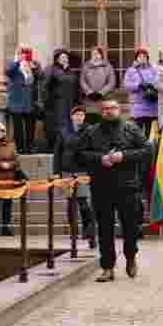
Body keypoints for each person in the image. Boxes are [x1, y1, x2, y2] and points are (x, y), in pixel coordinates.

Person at [76, 98, 152, 282]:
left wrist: (123, 156)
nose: (109, 111)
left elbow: (147, 150)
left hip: (127, 186)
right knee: (104, 228)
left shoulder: (131, 129)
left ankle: (131, 256)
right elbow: (79, 155)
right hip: (101, 187)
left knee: (131, 227)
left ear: (119, 110)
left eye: (113, 108)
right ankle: (107, 267)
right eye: (105, 109)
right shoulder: (91, 131)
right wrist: (99, 159)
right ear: (101, 112)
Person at [53, 106, 97, 249]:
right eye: (77, 115)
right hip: (67, 170)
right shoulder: (64, 131)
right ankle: (73, 231)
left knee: (84, 203)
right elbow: (58, 152)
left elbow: (93, 150)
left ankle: (88, 230)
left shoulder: (90, 130)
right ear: (72, 116)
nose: (79, 117)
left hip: (82, 170)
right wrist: (56, 171)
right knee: (70, 202)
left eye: (82, 115)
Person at [5, 46, 43, 155]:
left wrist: (34, 68)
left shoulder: (34, 64)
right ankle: (20, 148)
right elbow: (8, 72)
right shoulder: (13, 63)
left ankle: (30, 147)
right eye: (22, 53)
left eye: (27, 53)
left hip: (30, 100)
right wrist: (17, 61)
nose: (25, 55)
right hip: (16, 100)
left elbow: (40, 76)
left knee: (30, 126)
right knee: (18, 127)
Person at [43, 49, 82, 153]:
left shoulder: (71, 72)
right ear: (57, 59)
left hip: (71, 103)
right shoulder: (51, 70)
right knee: (57, 126)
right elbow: (45, 87)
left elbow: (77, 88)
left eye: (66, 57)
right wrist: (46, 102)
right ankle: (54, 148)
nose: (65, 59)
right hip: (57, 103)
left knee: (69, 125)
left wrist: (78, 103)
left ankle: (67, 147)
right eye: (62, 57)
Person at [123, 48, 159, 137]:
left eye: (144, 56)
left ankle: (149, 149)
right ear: (136, 58)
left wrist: (151, 84)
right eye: (140, 57)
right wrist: (138, 85)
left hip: (151, 104)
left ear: (147, 58)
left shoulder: (153, 69)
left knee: (150, 132)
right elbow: (127, 85)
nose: (142, 58)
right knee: (137, 132)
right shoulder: (131, 70)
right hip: (137, 105)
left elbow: (159, 81)